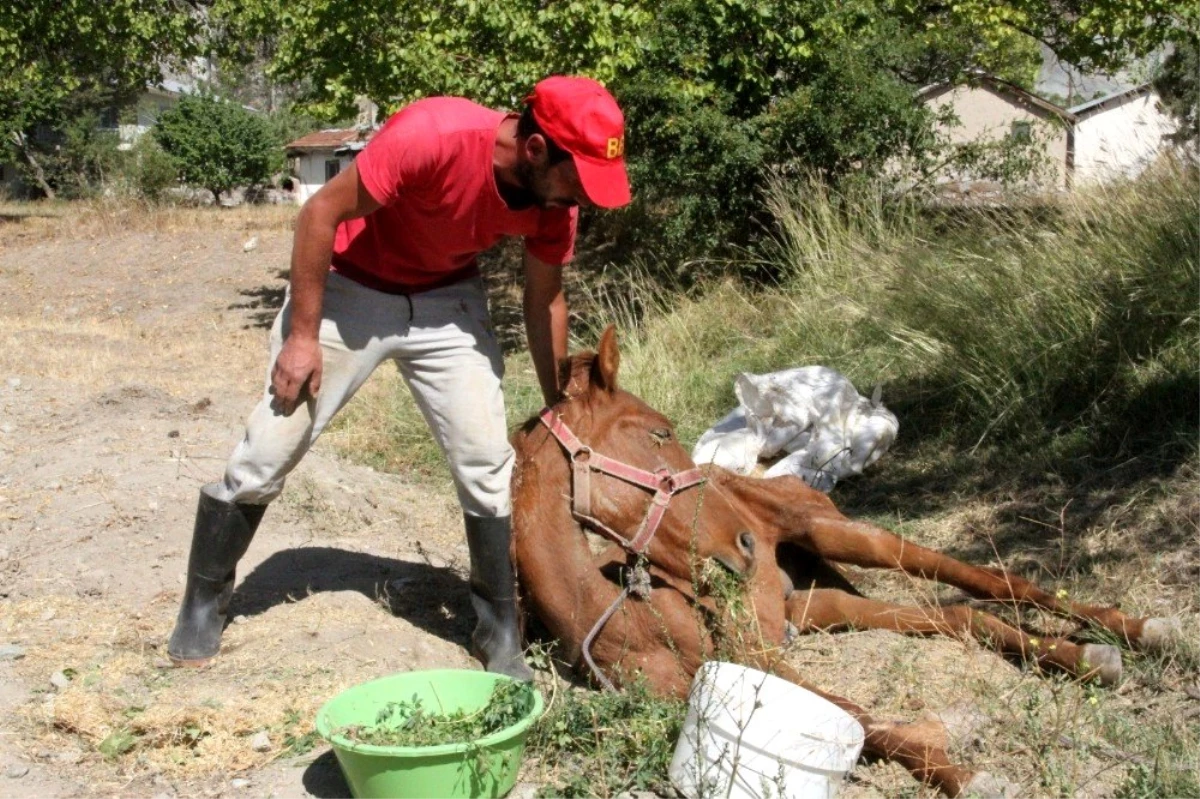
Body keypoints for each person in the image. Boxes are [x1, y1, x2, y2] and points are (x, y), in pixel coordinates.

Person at [167, 76, 631, 681]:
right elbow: (318, 213)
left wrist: (558, 403)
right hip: (350, 289)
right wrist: (302, 338)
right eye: (580, 178)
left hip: (444, 301)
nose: (584, 199)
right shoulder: (434, 135)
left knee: (487, 462)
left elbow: (543, 299)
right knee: (268, 451)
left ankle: (497, 627)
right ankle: (203, 598)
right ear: (537, 149)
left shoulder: (554, 201)